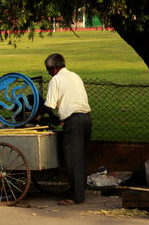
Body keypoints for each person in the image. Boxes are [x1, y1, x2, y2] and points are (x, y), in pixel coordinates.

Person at [42, 53, 92, 205]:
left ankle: (76, 197)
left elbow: (49, 105)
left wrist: (34, 115)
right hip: (86, 119)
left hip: (74, 122)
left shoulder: (55, 80)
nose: (49, 73)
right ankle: (79, 191)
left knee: (71, 159)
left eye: (49, 70)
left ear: (54, 68)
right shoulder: (75, 76)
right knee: (81, 157)